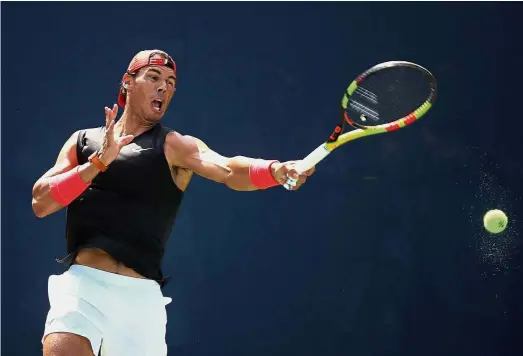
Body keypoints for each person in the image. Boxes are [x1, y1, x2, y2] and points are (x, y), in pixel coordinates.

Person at [31, 49, 315, 356]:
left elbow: (230, 170)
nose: (163, 87)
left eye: (170, 82)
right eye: (153, 77)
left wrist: (275, 170)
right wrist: (97, 164)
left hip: (140, 305)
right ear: (127, 83)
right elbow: (41, 202)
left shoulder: (174, 146)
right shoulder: (83, 142)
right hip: (81, 291)